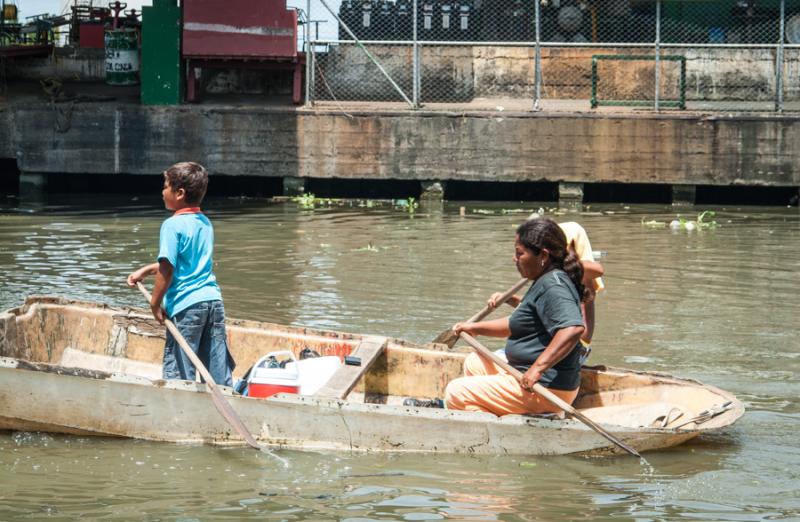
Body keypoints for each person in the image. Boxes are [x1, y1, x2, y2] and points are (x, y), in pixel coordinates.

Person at [445, 218, 588, 416]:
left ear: (543, 256)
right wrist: (473, 328)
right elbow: (515, 324)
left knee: (456, 392)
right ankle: (502, 415)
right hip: (524, 373)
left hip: (545, 389)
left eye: (520, 253)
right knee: (474, 362)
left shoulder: (554, 285)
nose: (515, 259)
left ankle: (502, 425)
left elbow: (573, 329)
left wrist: (536, 370)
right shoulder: (543, 280)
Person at [126, 162, 235, 386]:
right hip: (213, 302)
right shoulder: (205, 222)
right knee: (216, 368)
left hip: (187, 308)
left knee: (180, 371)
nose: (162, 191)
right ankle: (223, 402)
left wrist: (155, 304)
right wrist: (146, 270)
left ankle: (181, 410)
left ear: (179, 193)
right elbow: (188, 264)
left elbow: (168, 269)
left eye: (166, 186)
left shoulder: (172, 225)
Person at [487, 221, 603, 363]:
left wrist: (555, 261)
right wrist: (510, 298)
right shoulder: (553, 277)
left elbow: (598, 270)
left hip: (572, 348)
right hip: (560, 342)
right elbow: (540, 309)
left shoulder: (579, 272)